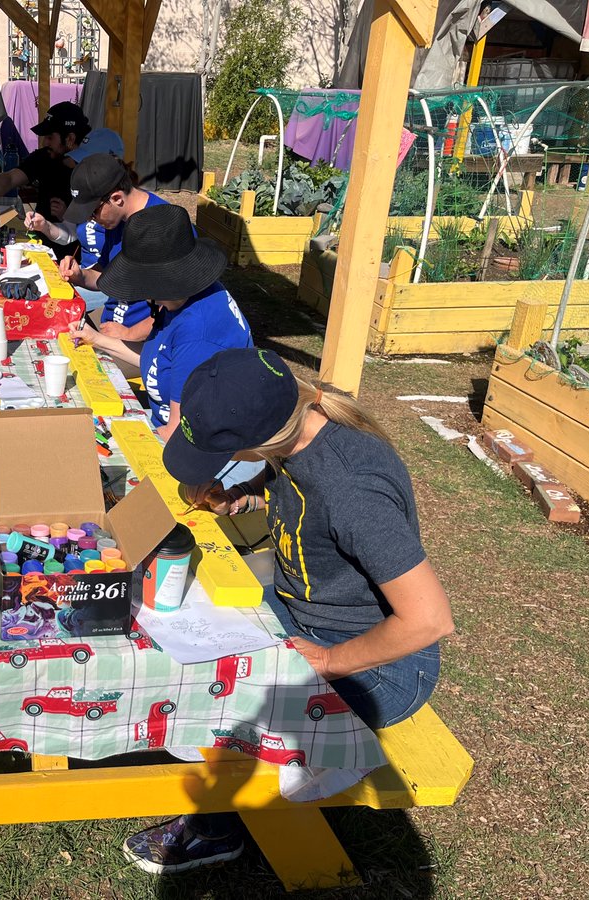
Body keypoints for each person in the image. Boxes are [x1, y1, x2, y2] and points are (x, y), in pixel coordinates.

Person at [121, 347, 456, 875]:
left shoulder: (352, 487)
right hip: (301, 614)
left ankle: (215, 831)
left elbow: (429, 619)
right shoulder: (298, 435)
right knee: (184, 632)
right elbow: (286, 490)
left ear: (260, 440)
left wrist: (329, 662)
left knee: (224, 707)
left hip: (380, 665)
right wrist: (238, 498)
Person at [68, 203, 253, 441]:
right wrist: (96, 339)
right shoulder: (181, 298)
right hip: (165, 423)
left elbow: (176, 433)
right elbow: (158, 361)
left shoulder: (197, 332)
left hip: (191, 443)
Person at [40, 153, 167, 340]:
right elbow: (108, 276)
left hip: (140, 340)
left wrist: (129, 333)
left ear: (116, 198)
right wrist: (80, 275)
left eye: (93, 212)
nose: (91, 220)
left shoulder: (164, 227)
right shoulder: (117, 220)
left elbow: (176, 305)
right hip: (109, 329)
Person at [0, 101, 91, 257]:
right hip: (40, 245)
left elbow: (89, 229)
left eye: (50, 137)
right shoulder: (44, 157)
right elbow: (10, 178)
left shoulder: (90, 170)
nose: (44, 142)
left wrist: (68, 215)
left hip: (73, 256)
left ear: (70, 139)